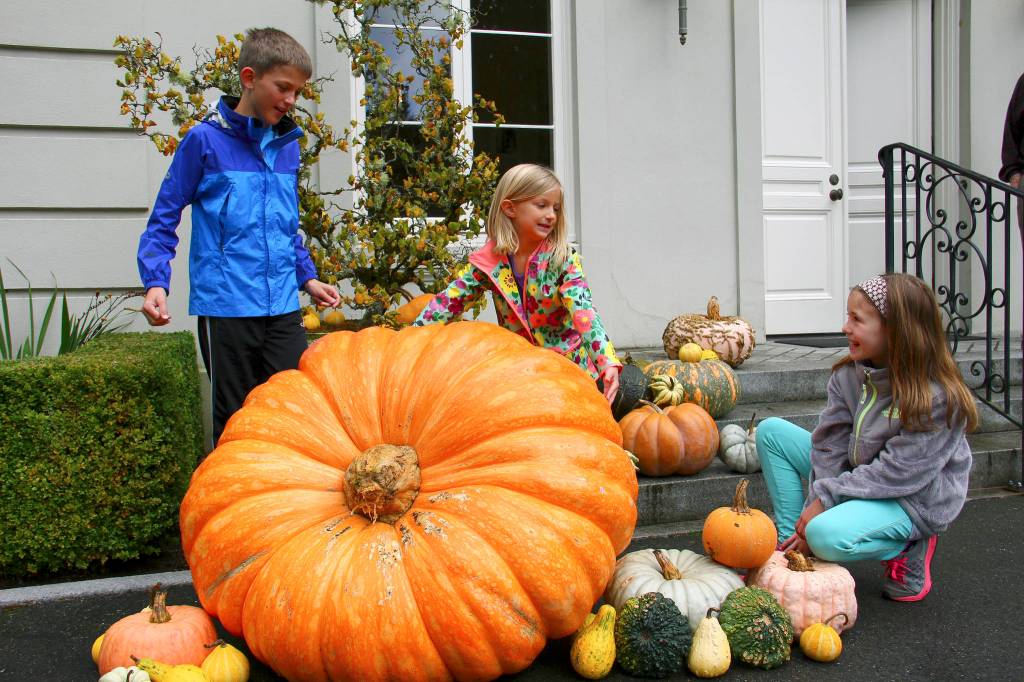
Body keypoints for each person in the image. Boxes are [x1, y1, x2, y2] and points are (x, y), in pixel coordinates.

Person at [137, 27, 340, 445]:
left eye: (298, 92)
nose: (290, 100)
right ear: (250, 78)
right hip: (227, 307)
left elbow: (286, 224)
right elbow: (165, 214)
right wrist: (156, 280)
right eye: (283, 87)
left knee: (294, 413)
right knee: (235, 425)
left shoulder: (287, 145)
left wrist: (307, 277)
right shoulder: (204, 141)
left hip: (282, 305)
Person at [755, 273, 977, 602]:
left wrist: (824, 506)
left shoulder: (937, 397)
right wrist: (814, 506)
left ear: (896, 330)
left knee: (823, 534)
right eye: (848, 317)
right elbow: (828, 449)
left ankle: (910, 545)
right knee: (771, 432)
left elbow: (898, 473)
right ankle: (789, 547)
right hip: (860, 476)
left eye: (856, 319)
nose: (845, 327)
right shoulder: (849, 376)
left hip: (911, 498)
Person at [414, 163, 622, 403]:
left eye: (555, 208)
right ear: (510, 208)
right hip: (518, 369)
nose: (551, 215)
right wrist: (413, 338)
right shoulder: (491, 260)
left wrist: (606, 361)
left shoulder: (562, 259)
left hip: (566, 367)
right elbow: (451, 300)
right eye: (541, 205)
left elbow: (583, 311)